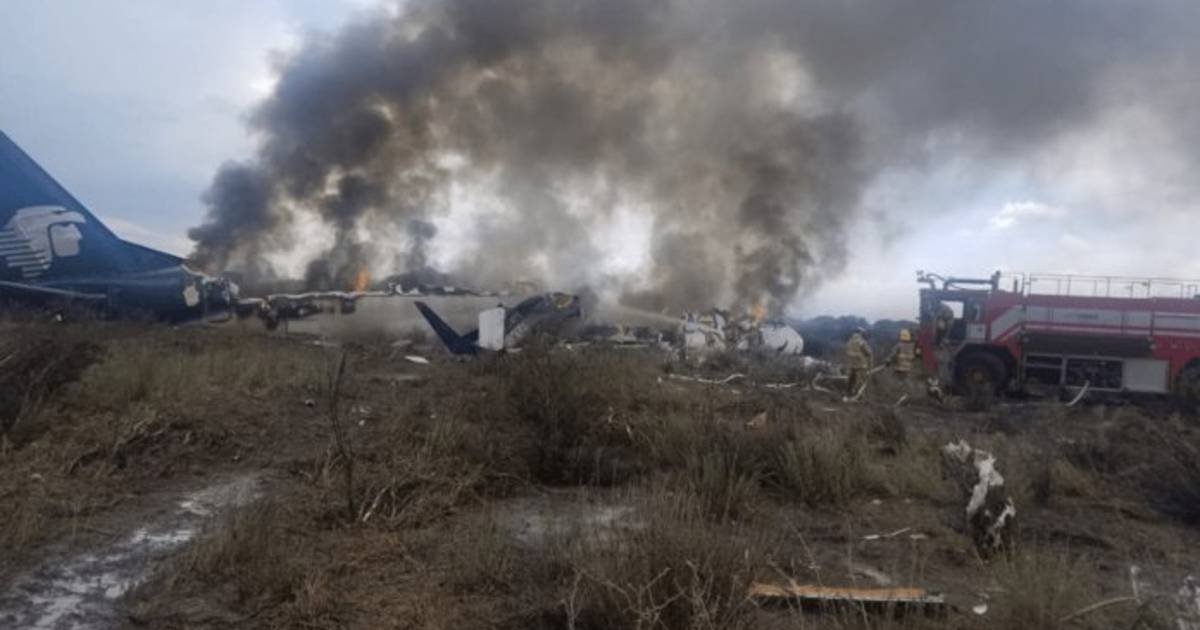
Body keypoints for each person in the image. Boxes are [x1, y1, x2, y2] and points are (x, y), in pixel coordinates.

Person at [844, 327, 873, 396]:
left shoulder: (850, 341)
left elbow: (847, 351)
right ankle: (858, 396)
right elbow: (868, 352)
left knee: (851, 380)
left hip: (851, 364)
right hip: (861, 364)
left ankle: (848, 393)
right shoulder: (861, 341)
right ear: (861, 333)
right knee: (860, 381)